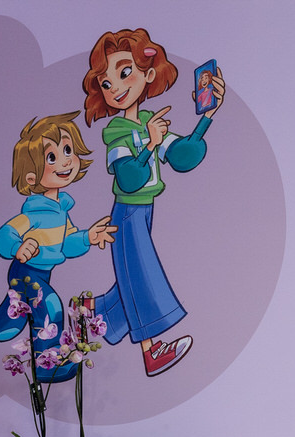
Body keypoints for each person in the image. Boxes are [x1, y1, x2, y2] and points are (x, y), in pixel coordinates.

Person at [81, 28, 224, 377]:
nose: (115, 87)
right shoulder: (115, 132)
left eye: (124, 73)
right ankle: (152, 352)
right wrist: (149, 145)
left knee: (132, 276)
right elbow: (128, 178)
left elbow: (181, 155)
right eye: (106, 82)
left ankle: (89, 311)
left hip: (145, 211)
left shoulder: (149, 122)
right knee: (143, 275)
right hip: (127, 213)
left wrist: (207, 116)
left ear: (148, 75)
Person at [0, 112, 115, 384]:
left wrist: (88, 237)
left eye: (67, 150)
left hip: (42, 274)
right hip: (24, 273)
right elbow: (4, 235)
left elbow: (67, 243)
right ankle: (46, 364)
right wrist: (18, 247)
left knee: (6, 327)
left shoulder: (61, 210)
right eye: (52, 157)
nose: (65, 160)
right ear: (31, 178)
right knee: (49, 305)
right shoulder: (34, 212)